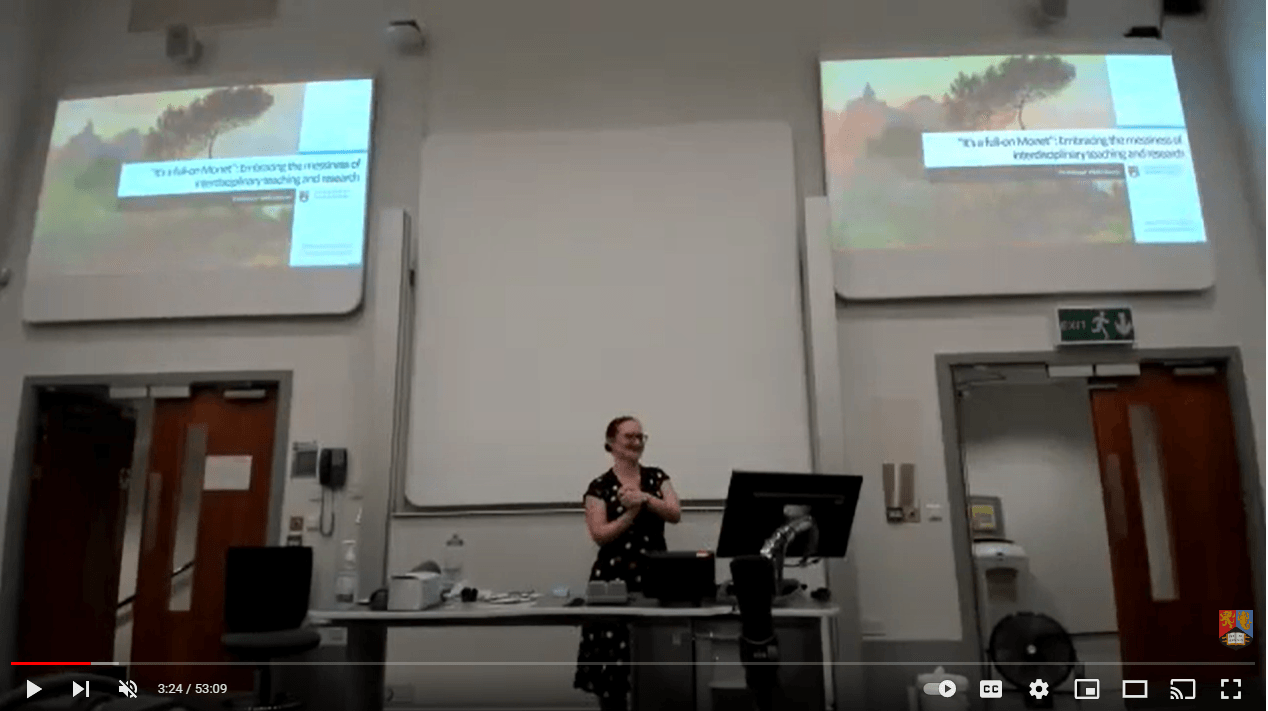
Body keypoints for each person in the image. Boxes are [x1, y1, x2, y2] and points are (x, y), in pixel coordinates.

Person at [574, 415, 682, 711]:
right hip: (612, 580)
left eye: (640, 437)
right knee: (611, 667)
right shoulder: (598, 487)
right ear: (611, 443)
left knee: (655, 657)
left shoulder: (657, 478)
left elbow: (674, 513)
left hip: (654, 577)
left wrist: (644, 498)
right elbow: (600, 535)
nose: (636, 442)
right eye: (629, 437)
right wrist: (629, 515)